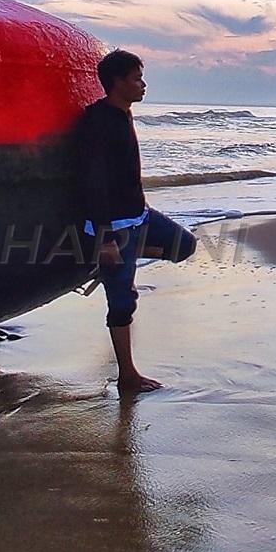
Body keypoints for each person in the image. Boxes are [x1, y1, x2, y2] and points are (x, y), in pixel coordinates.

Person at [74, 49, 197, 392]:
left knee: (184, 244)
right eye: (136, 78)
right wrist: (107, 239)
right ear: (117, 82)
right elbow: (93, 183)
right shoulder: (97, 122)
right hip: (114, 227)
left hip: (139, 216)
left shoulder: (123, 113)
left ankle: (119, 263)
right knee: (122, 303)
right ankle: (127, 375)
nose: (143, 85)